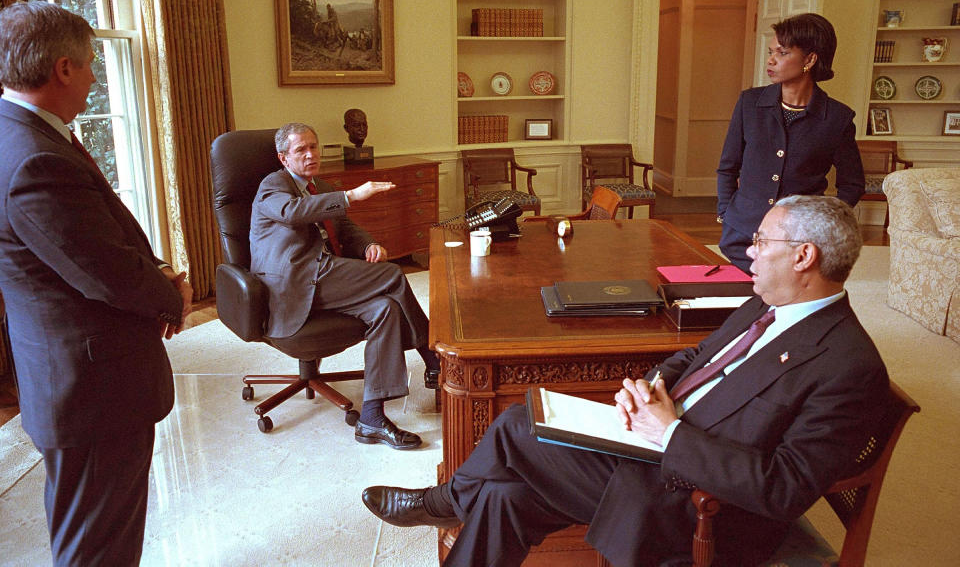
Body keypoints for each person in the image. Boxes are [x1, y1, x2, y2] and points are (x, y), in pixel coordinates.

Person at [362, 195, 888, 566]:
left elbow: (782, 490)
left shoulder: (847, 365)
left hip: (697, 499)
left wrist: (669, 433)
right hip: (651, 444)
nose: (748, 251)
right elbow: (698, 354)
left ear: (803, 256)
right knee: (503, 494)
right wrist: (650, 385)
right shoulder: (764, 301)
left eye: (762, 241)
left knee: (519, 424)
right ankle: (455, 500)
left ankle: (445, 503)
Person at [0, 1, 192, 565]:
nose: (92, 78)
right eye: (88, 65)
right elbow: (101, 271)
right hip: (92, 386)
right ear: (63, 68)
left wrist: (154, 270)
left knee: (88, 526)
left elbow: (93, 236)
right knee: (97, 544)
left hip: (71, 379)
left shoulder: (22, 133)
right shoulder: (34, 158)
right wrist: (171, 295)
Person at [249, 122, 438, 450]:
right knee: (392, 276)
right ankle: (433, 359)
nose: (311, 154)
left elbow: (346, 227)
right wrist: (351, 195)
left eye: (314, 147)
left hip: (323, 277)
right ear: (283, 158)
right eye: (301, 150)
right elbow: (293, 213)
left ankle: (372, 418)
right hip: (294, 285)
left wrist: (368, 246)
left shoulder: (318, 185)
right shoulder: (272, 187)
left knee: (386, 309)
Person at [717, 12, 865, 273]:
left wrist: (822, 226)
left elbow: (852, 184)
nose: (771, 60)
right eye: (771, 51)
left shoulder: (837, 118)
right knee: (738, 304)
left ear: (809, 59)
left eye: (783, 53)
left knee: (787, 308)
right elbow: (728, 166)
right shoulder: (750, 103)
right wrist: (726, 215)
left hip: (797, 242)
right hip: (741, 234)